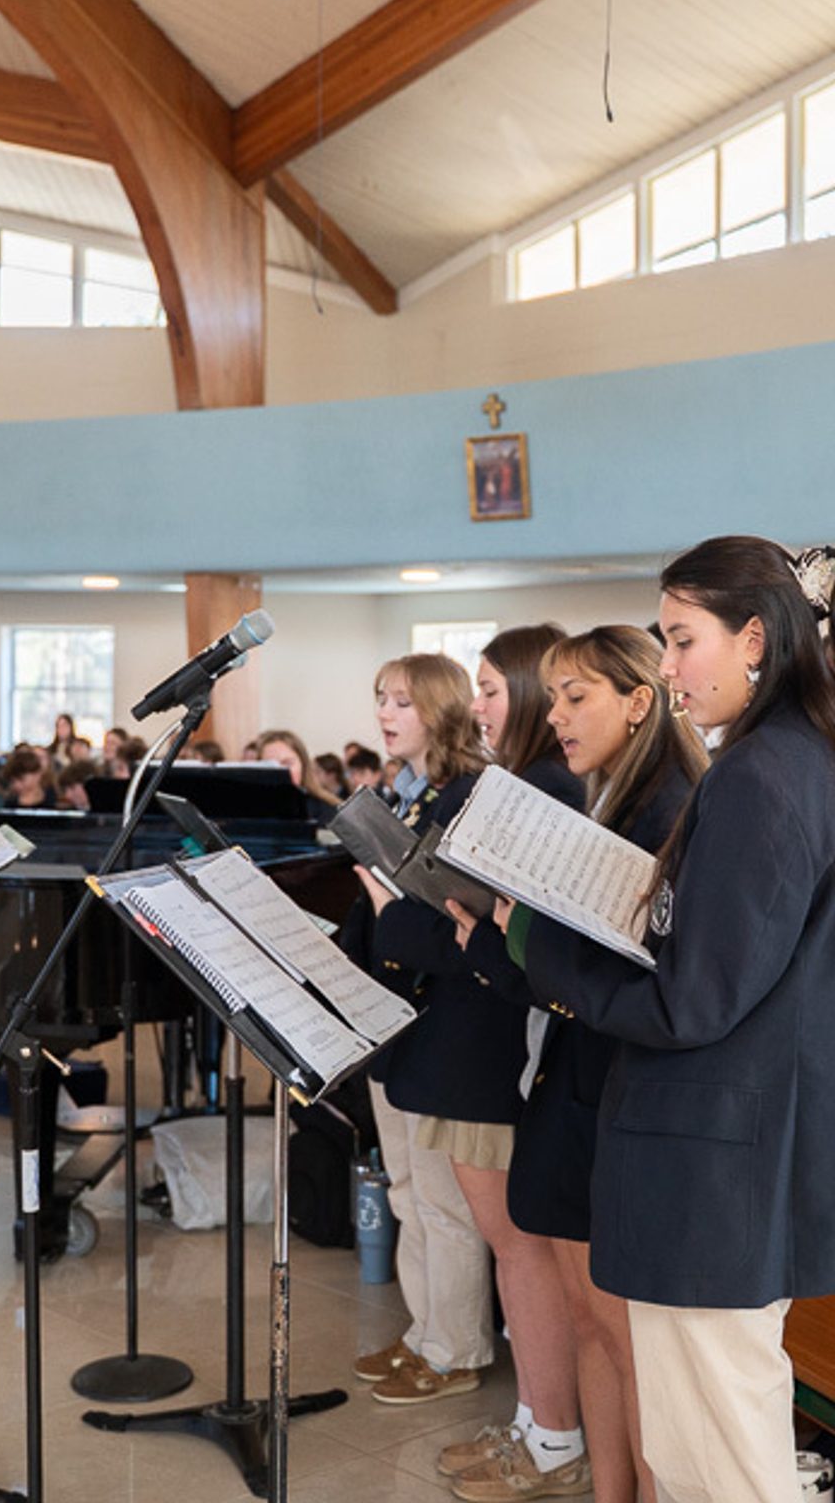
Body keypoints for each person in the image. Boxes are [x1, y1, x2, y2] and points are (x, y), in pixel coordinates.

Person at [516, 539, 835, 1503]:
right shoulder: (796, 756)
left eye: (680, 638)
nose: (665, 665)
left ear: (754, 638)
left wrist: (554, 959)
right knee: (714, 1448)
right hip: (739, 1152)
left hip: (714, 1166)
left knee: (717, 1464)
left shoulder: (761, 774)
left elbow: (693, 999)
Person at [451, 626, 706, 1503]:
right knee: (592, 1329)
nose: (553, 715)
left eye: (576, 696)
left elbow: (643, 970)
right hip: (575, 1080)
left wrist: (517, 933)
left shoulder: (670, 806)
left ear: (640, 703)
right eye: (551, 696)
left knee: (623, 1338)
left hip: (618, 1090)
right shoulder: (612, 796)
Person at [416, 624, 590, 1500]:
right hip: (484, 1035)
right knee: (511, 1250)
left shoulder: (542, 787)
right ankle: (536, 1421)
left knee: (521, 1251)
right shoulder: (517, 782)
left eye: (490, 688)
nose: (477, 707)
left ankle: (552, 1433)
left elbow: (530, 936)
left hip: (502, 1043)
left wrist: (473, 922)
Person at [344, 655, 495, 1407]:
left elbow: (450, 924)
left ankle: (456, 1346)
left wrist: (384, 906)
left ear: (441, 709)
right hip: (396, 1019)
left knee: (443, 1202)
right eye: (380, 699)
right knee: (406, 1190)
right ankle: (422, 1330)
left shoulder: (466, 797)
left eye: (402, 700)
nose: (386, 712)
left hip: (445, 1020)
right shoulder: (403, 795)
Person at [254, 728, 342, 819]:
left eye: (287, 763)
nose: (279, 771)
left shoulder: (330, 811)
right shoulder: (251, 811)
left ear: (303, 765)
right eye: (270, 765)